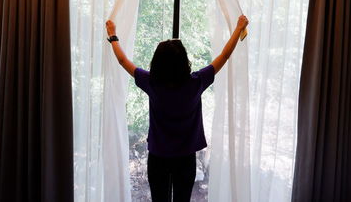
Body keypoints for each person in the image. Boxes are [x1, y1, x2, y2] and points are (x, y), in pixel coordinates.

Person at [105, 15, 249, 202]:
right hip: (185, 158)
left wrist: (113, 35)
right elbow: (224, 55)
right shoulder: (196, 82)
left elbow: (123, 61)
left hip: (158, 158)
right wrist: (238, 29)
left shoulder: (151, 82)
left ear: (157, 62)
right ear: (184, 61)